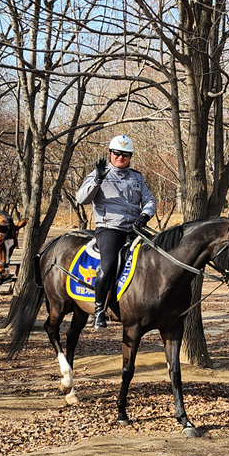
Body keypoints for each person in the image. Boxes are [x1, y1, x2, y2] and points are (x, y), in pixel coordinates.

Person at [77, 135, 156, 329]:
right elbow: (81, 199)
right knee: (109, 264)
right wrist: (97, 179)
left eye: (125, 154)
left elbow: (150, 201)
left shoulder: (137, 177)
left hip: (135, 228)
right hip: (110, 229)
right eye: (117, 153)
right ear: (110, 154)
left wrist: (144, 216)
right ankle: (99, 310)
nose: (120, 157)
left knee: (157, 256)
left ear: (130, 157)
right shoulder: (98, 174)